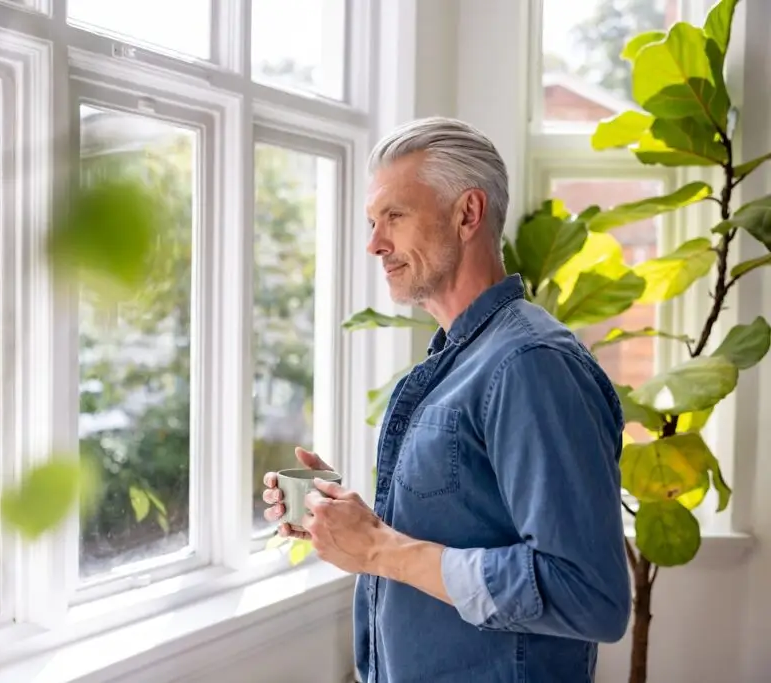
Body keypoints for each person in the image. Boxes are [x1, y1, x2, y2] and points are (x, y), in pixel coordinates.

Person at [262, 116, 631, 683]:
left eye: (395, 216)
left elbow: (590, 596)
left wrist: (381, 551)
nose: (374, 243)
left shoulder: (529, 365)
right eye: (371, 221)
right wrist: (345, 524)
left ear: (467, 214)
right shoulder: (459, 362)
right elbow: (460, 532)